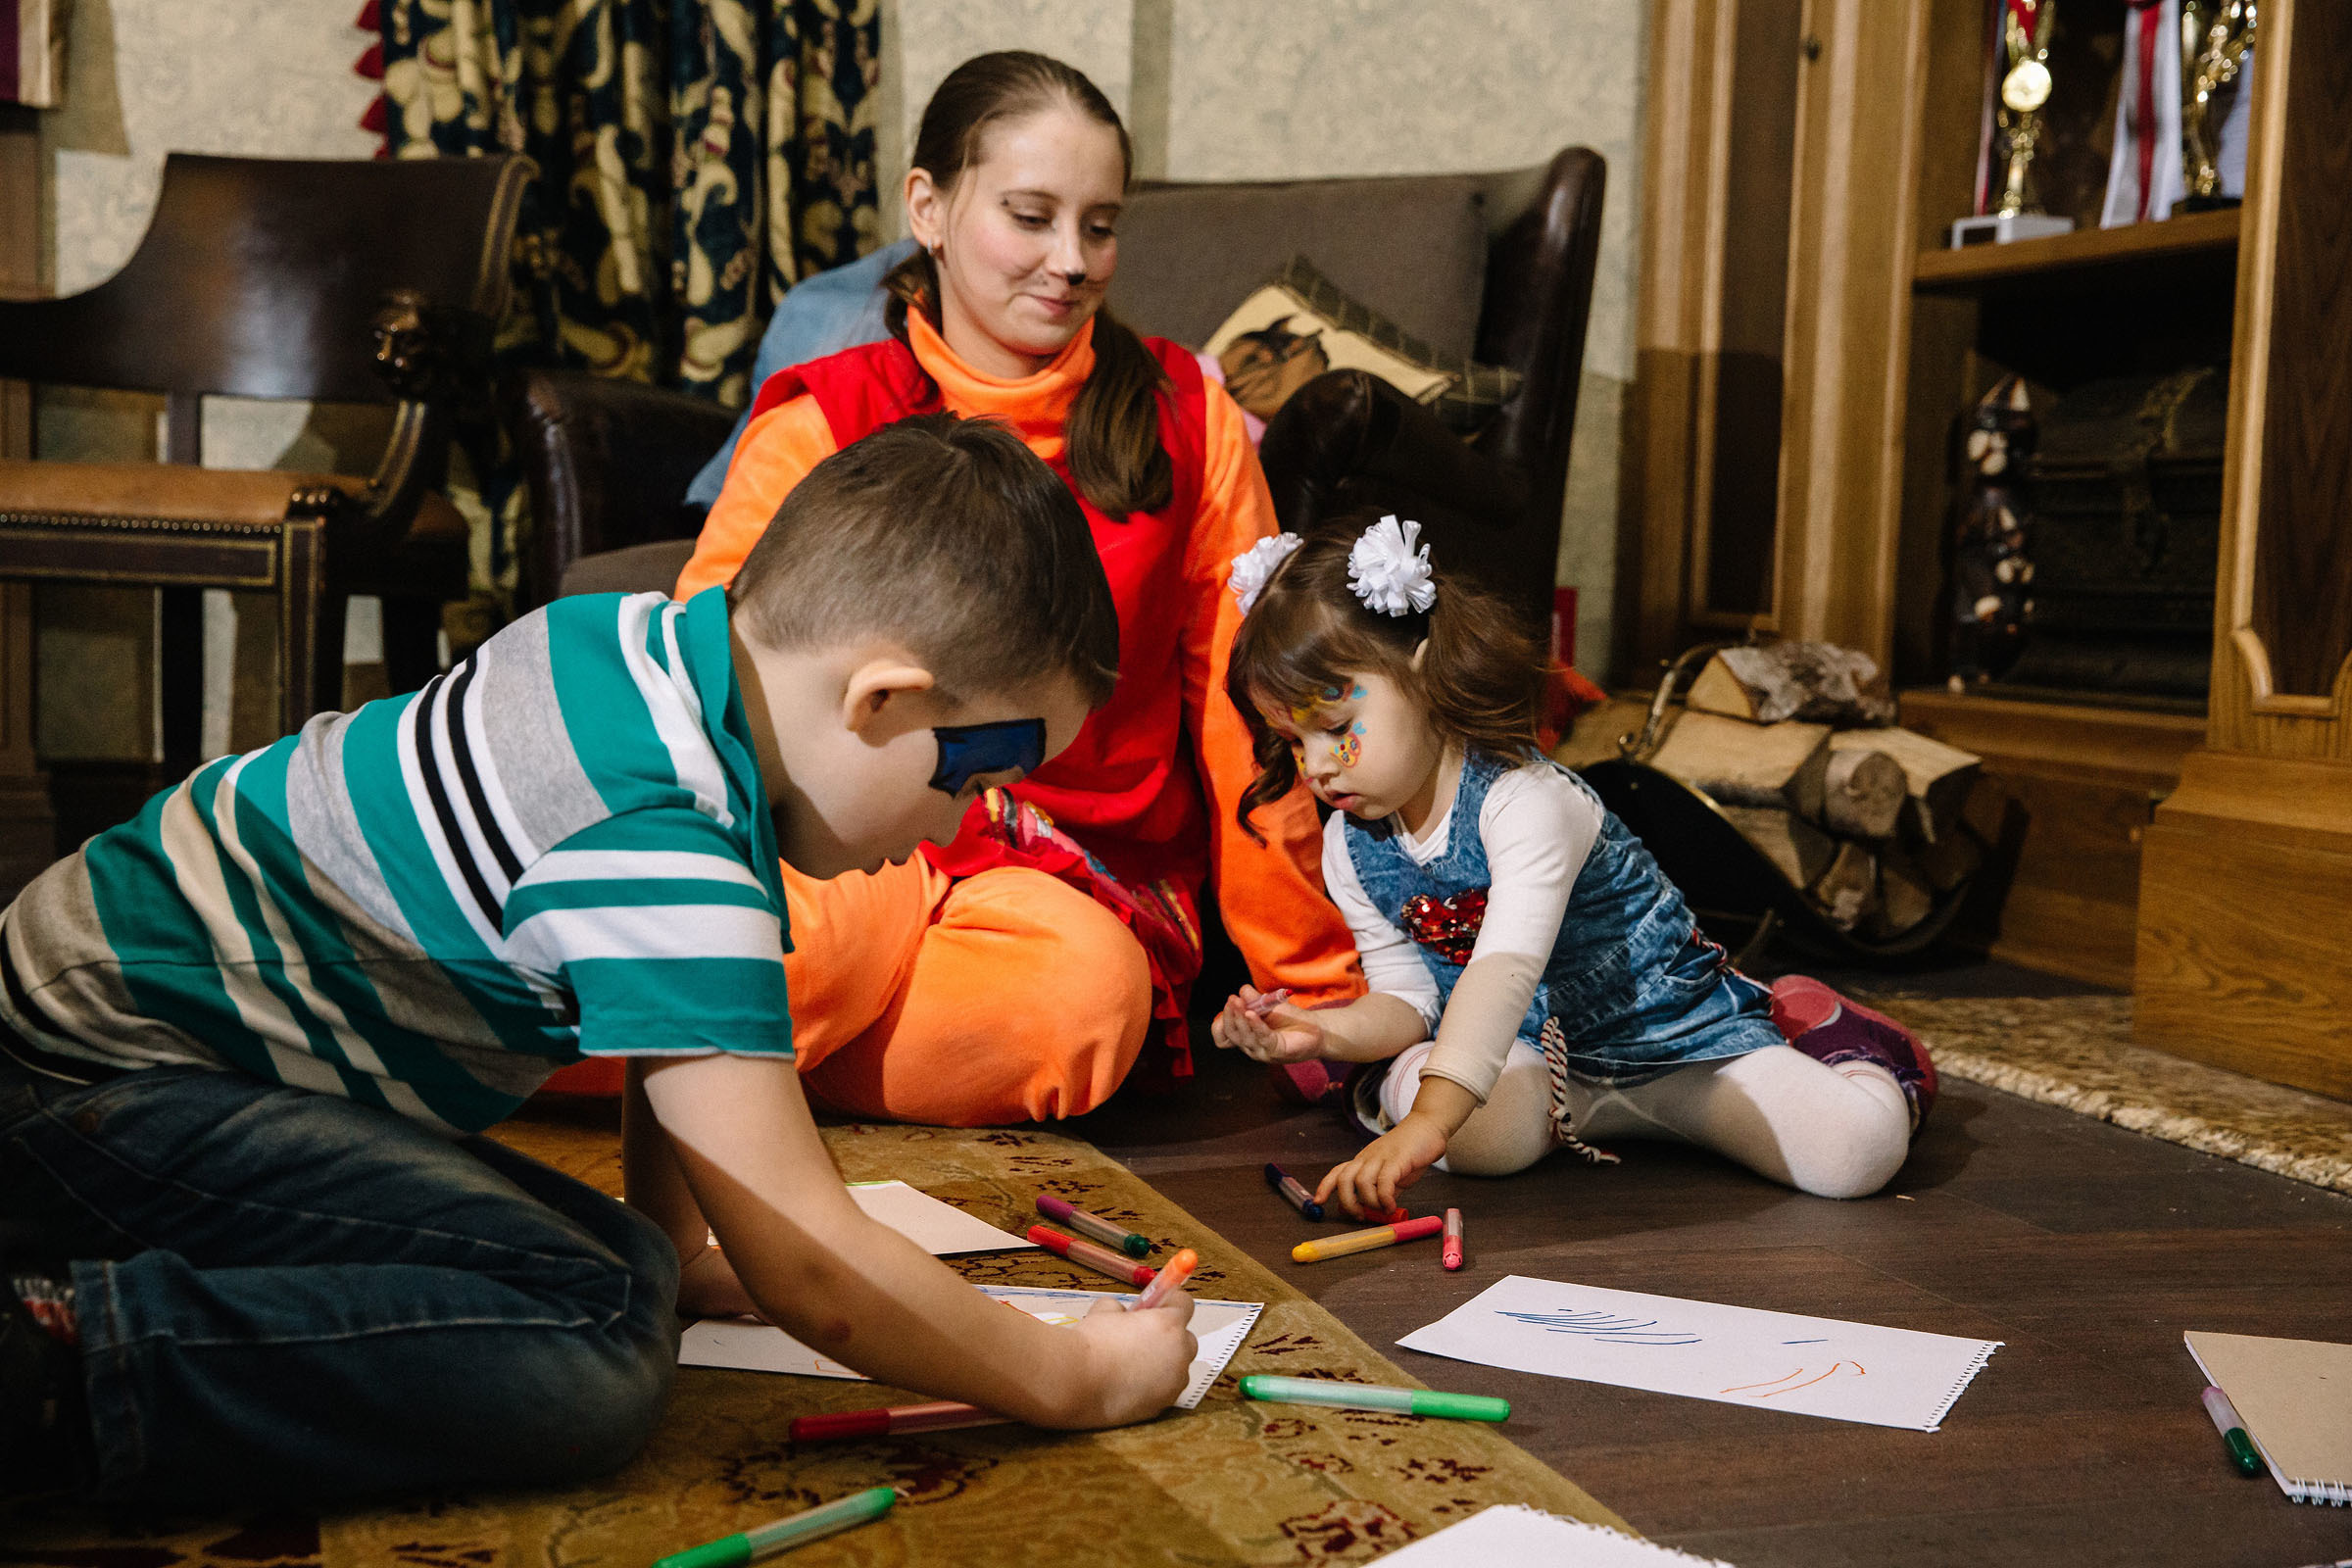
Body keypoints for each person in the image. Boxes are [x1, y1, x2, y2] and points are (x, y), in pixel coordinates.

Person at [0, 416, 1197, 1507]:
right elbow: (812, 1268)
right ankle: (63, 1354)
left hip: (117, 1035)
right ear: (883, 701)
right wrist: (1074, 1377)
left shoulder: (637, 653)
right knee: (594, 1354)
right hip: (96, 1084)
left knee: (627, 1274)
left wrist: (678, 1253)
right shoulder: (661, 839)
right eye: (976, 777)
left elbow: (668, 1046)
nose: (956, 826)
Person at [676, 50, 1362, 1125]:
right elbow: (704, 686)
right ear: (929, 207)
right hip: (842, 841)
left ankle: (688, 1063)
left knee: (1078, 1005)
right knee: (810, 947)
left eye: (1101, 225)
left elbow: (1252, 711)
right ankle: (711, 1055)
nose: (1072, 262)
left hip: (1069, 883)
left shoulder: (1191, 421)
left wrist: (1315, 985)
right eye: (1031, 217)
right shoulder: (819, 416)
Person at [1208, 516, 1938, 1217]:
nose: (1316, 766)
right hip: (1533, 1065)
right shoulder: (1352, 846)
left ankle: (1829, 1031)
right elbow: (1409, 1000)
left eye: (1335, 728)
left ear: (1423, 675)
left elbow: (1502, 972)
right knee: (1477, 1137)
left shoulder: (1526, 800)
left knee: (1856, 1154)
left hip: (1680, 1047)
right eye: (1292, 741)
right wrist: (1324, 1034)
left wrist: (1425, 1123)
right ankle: (1404, 1086)